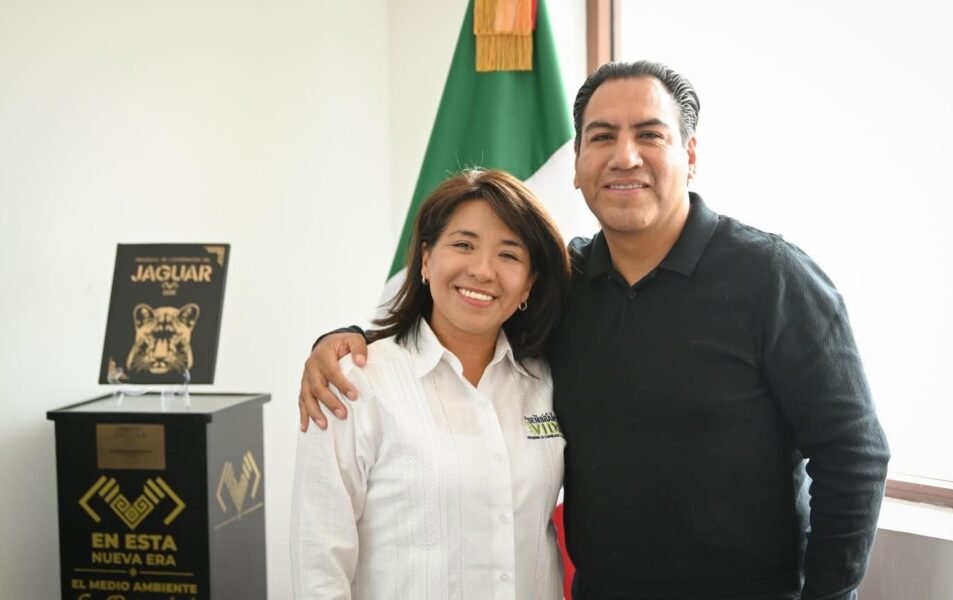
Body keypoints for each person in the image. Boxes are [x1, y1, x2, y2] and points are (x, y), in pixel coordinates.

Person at [299, 61, 890, 600]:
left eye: (649, 135)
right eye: (602, 137)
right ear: (578, 163)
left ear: (690, 154)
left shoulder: (772, 276)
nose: (624, 156)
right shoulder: (562, 284)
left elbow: (853, 453)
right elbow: (466, 316)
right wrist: (346, 340)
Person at [290, 168, 571, 599]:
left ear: (529, 283)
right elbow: (318, 564)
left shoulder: (544, 381)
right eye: (463, 245)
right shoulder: (354, 383)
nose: (482, 270)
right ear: (425, 259)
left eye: (508, 255)